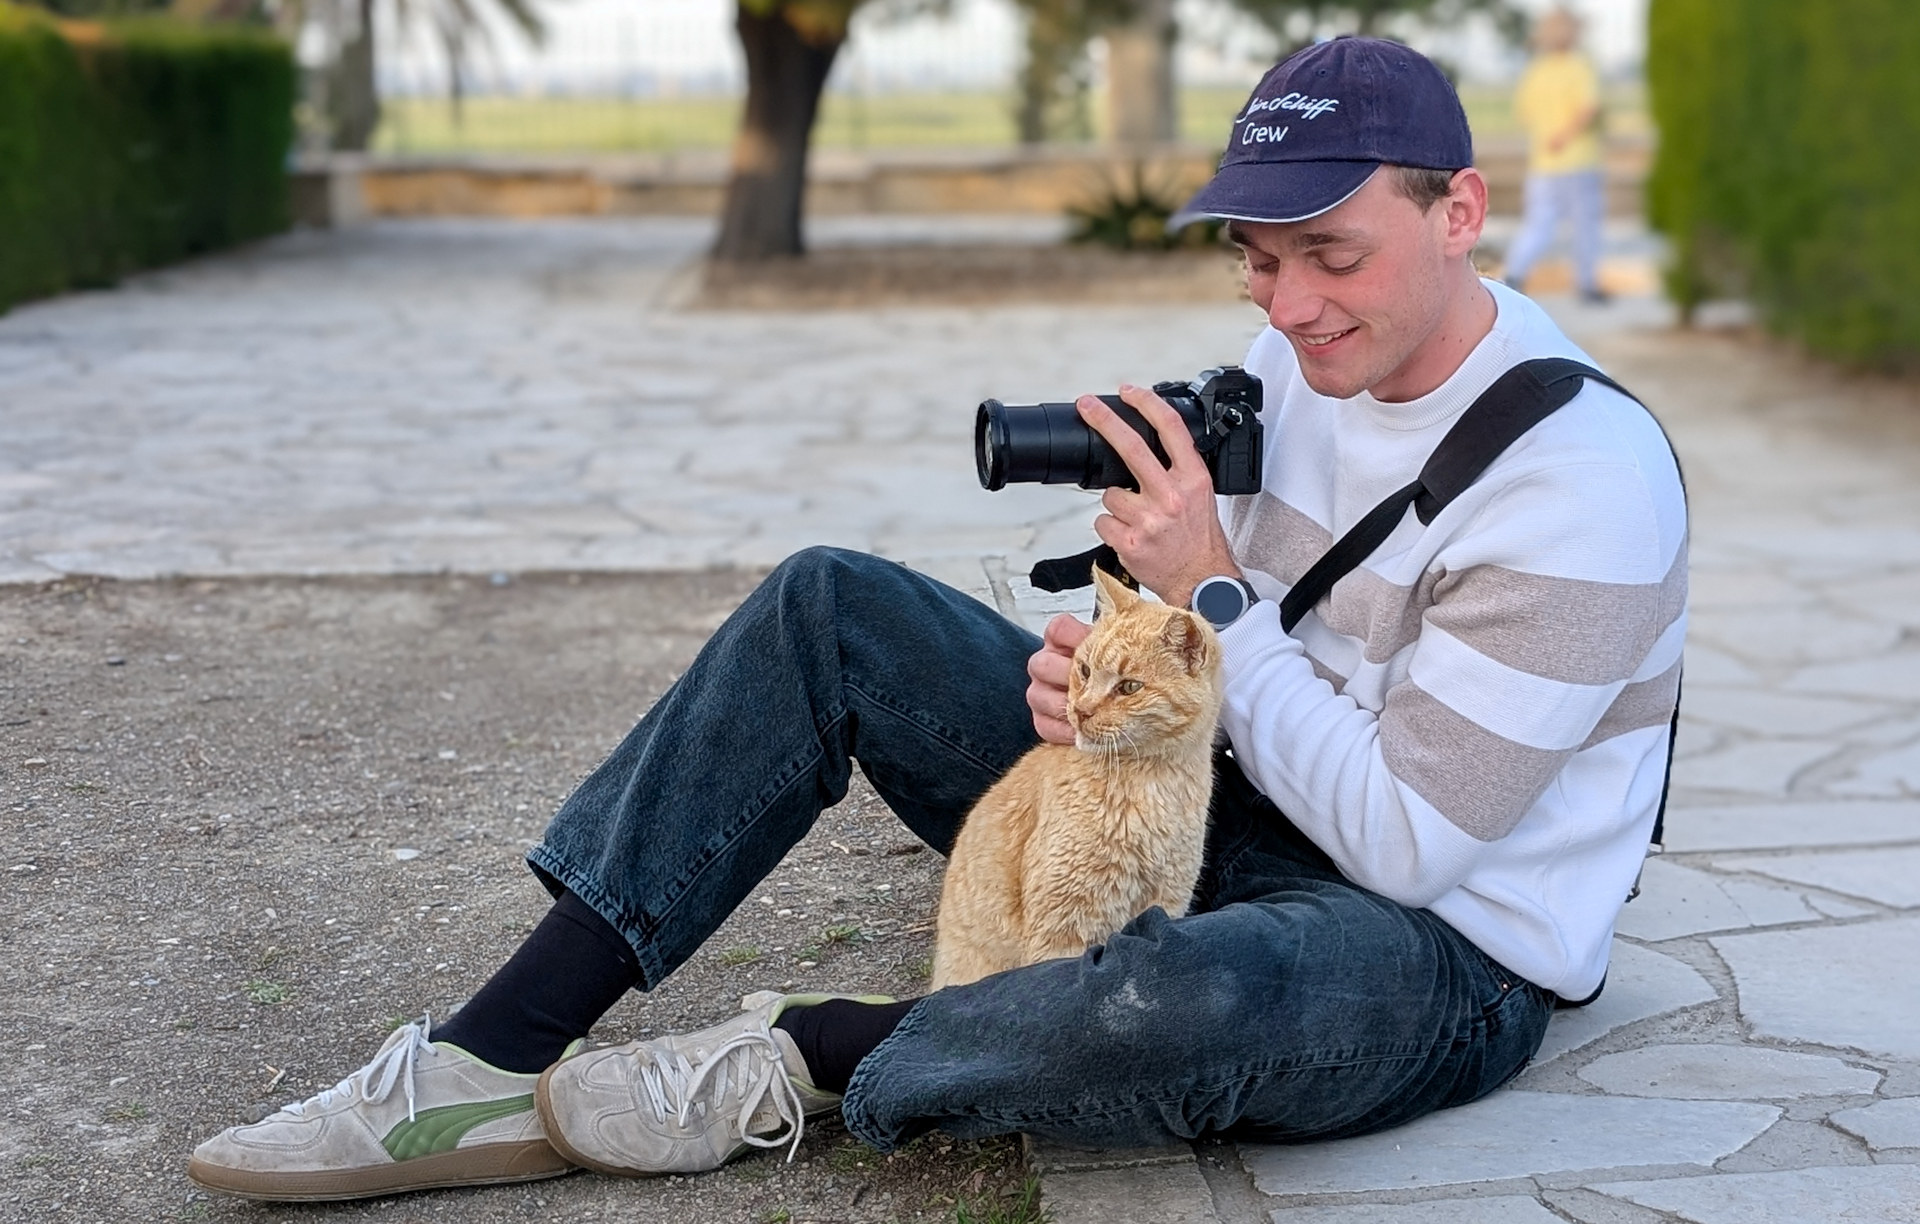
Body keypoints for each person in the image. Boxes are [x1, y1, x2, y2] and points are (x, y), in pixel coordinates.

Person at [187, 36, 1686, 1201]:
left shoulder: (1580, 484)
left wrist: (1209, 597)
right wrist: (1099, 681)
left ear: (1463, 212)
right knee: (831, 604)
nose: (1286, 309)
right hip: (1220, 800)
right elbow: (1225, 657)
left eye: (1330, 256)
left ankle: (821, 1050)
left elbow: (1412, 841)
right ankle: (481, 1061)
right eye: (1259, 258)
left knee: (1191, 1001)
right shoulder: (1298, 360)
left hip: (1440, 946)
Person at [1502, 7, 1610, 302]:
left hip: (1543, 162)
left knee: (1539, 223)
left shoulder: (1535, 70)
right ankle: (1587, 283)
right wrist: (1566, 135)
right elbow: (1590, 108)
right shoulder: (1579, 66)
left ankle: (1515, 273)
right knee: (1585, 224)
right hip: (1579, 159)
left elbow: (1522, 114)